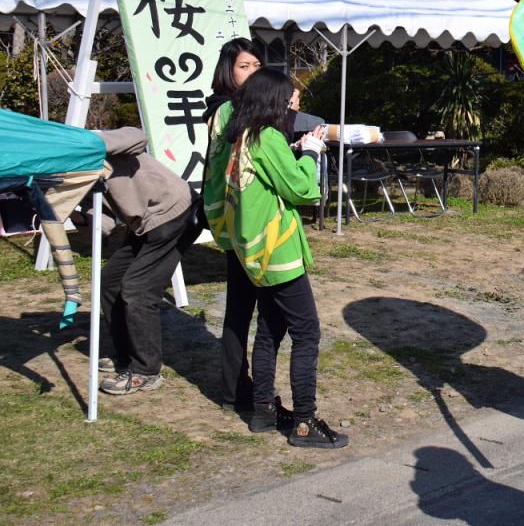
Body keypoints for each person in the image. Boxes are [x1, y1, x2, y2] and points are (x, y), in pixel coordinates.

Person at [219, 68, 346, 449]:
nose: (296, 105)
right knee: (307, 333)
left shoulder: (243, 136)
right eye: (292, 99)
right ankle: (304, 421)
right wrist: (309, 154)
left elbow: (270, 178)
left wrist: (294, 152)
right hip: (278, 253)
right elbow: (303, 189)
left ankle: (262, 411)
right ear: (274, 101)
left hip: (254, 252)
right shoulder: (268, 137)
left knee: (271, 330)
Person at [95, 127, 200, 394]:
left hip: (173, 213)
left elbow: (138, 136)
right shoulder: (69, 168)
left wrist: (91, 142)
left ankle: (146, 371)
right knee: (109, 282)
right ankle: (127, 356)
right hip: (143, 223)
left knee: (138, 290)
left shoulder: (96, 142)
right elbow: (102, 211)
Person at [203, 38, 276, 415]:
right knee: (250, 309)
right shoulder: (232, 109)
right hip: (244, 221)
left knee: (241, 307)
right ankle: (243, 392)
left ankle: (237, 388)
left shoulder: (227, 108)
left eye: (257, 66)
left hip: (234, 220)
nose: (252, 73)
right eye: (244, 66)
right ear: (227, 70)